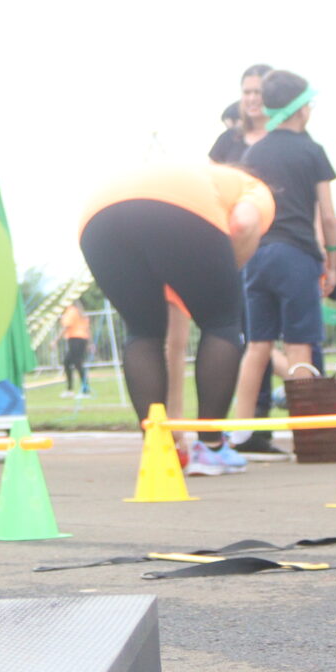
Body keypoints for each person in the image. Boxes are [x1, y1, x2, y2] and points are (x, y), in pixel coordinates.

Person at [79, 161, 269, 477]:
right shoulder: (254, 187)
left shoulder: (200, 174)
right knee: (221, 321)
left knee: (142, 331)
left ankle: (158, 450)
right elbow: (244, 224)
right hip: (177, 207)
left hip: (97, 216)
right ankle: (211, 448)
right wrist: (223, 278)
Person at [234, 71, 336, 448]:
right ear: (301, 109)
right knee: (299, 347)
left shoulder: (252, 153)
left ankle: (240, 432)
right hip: (297, 254)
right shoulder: (312, 151)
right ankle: (307, 435)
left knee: (257, 346)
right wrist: (332, 261)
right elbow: (328, 215)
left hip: (258, 255)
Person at [208, 65, 274, 165]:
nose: (252, 98)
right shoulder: (228, 138)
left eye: (258, 92)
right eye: (247, 92)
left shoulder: (284, 141)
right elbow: (211, 172)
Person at [58, 301, 93, 398]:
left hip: (75, 339)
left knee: (77, 363)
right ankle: (72, 389)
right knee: (68, 362)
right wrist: (90, 343)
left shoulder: (71, 311)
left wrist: (56, 340)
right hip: (82, 339)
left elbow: (66, 326)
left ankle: (85, 390)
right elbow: (87, 329)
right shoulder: (81, 312)